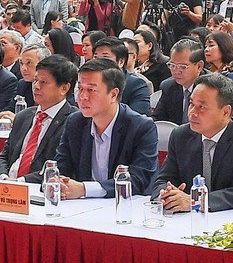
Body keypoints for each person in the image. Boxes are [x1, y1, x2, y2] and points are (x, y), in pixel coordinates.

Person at [154, 73, 233, 212]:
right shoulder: (180, 135)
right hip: (186, 220)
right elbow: (163, 179)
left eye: (202, 107)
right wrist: (165, 195)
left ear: (226, 112)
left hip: (228, 221)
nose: (192, 113)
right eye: (191, 104)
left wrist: (195, 202)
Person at [51, 59, 159, 200]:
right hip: (82, 208)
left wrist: (84, 189)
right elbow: (61, 166)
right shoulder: (75, 122)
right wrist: (57, 183)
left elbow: (138, 180)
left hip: (127, 207)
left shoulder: (141, 127)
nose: (82, 97)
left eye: (91, 90)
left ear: (113, 94)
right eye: (80, 89)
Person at [0, 53, 77, 183]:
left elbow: (61, 167)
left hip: (39, 189)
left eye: (43, 82)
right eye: (35, 80)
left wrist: (20, 182)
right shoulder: (23, 116)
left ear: (64, 88)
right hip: (7, 185)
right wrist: (3, 177)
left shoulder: (73, 120)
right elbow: (4, 155)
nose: (36, 86)